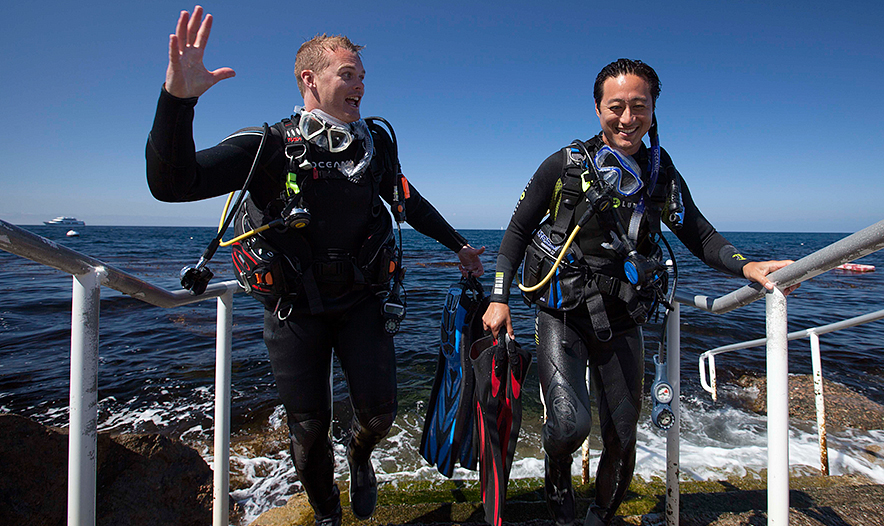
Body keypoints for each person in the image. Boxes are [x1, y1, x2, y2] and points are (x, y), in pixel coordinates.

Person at [145, 7, 484, 526]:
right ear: (309, 79)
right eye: (348, 74)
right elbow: (173, 185)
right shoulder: (269, 145)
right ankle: (328, 515)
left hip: (363, 300)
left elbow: (406, 201)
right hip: (293, 308)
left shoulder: (377, 143)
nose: (361, 86)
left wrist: (458, 244)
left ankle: (361, 454)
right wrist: (177, 102)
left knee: (378, 414)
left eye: (363, 77)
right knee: (307, 427)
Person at [482, 58, 795, 526]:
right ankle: (556, 473)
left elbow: (700, 235)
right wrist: (499, 297)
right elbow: (516, 229)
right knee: (569, 426)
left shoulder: (660, 176)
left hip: (624, 316)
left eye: (638, 106)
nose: (627, 118)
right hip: (562, 311)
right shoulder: (565, 166)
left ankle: (598, 517)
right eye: (616, 107)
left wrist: (745, 266)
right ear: (597, 109)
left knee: (623, 438)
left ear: (652, 110)